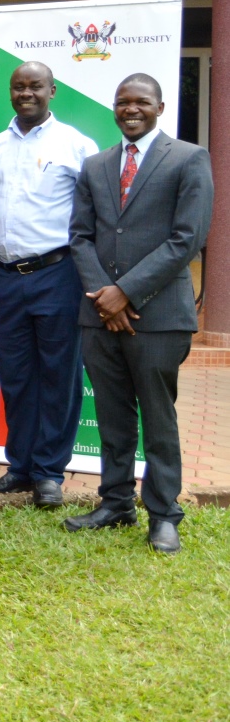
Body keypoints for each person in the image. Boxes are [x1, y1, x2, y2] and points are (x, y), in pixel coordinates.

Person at [65, 74, 214, 554]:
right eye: (123, 102)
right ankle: (115, 502)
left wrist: (125, 293)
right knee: (111, 413)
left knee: (157, 414)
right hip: (99, 314)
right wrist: (102, 296)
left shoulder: (189, 158)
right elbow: (80, 236)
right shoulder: (96, 165)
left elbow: (186, 239)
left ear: (160, 107)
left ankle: (165, 512)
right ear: (114, 108)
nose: (131, 109)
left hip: (159, 315)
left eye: (141, 102)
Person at [0, 62, 99, 508]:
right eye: (18, 86)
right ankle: (20, 467)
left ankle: (49, 471)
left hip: (58, 274)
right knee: (15, 376)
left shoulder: (76, 145)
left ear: (52, 90)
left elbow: (93, 214)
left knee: (58, 376)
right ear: (10, 93)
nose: (26, 92)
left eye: (35, 86)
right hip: (6, 279)